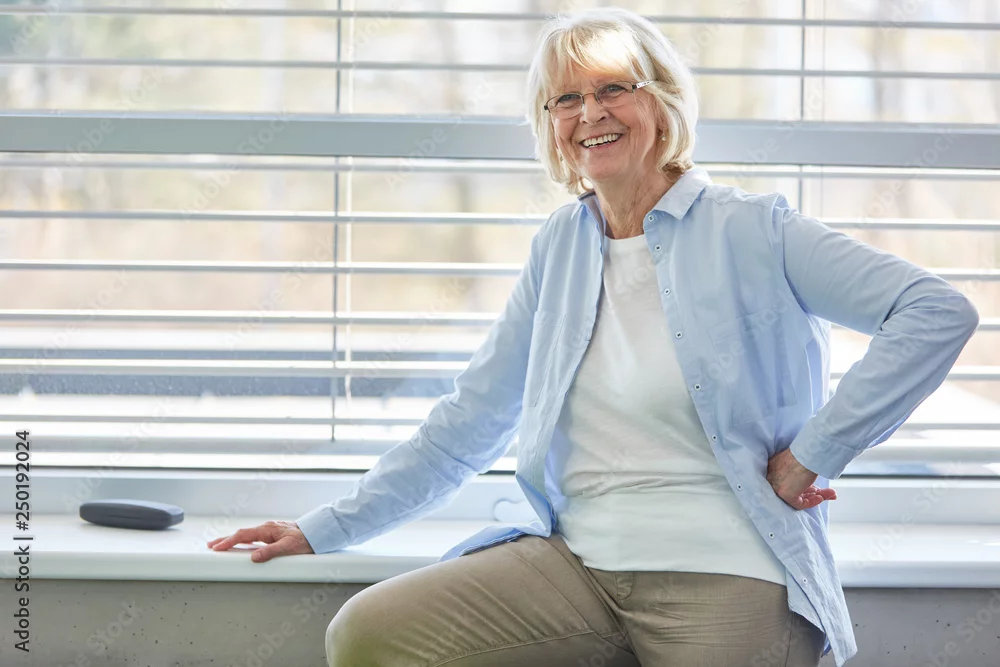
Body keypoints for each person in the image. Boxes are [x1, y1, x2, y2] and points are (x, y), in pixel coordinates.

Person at [206, 7, 980, 667]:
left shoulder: (752, 230)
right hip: (577, 563)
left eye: (614, 89)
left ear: (661, 102)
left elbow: (933, 312)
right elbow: (471, 419)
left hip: (728, 568)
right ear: (551, 126)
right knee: (370, 633)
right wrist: (325, 526)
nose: (591, 113)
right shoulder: (561, 247)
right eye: (567, 98)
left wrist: (812, 453)